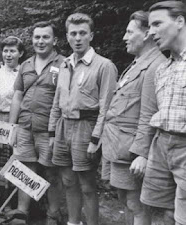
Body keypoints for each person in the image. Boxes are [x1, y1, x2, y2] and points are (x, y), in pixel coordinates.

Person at [49, 13, 118, 225]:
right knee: (68, 181)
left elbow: (107, 107)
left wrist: (95, 139)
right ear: (67, 37)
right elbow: (57, 100)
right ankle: (73, 221)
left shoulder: (104, 66)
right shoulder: (64, 64)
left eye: (82, 33)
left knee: (87, 184)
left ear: (91, 35)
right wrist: (52, 132)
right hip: (63, 126)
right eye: (73, 33)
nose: (77, 38)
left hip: (86, 127)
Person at [101, 10, 166, 225]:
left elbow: (148, 114)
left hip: (131, 150)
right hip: (118, 146)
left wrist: (142, 153)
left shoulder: (154, 65)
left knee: (136, 204)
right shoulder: (138, 62)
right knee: (125, 200)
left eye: (130, 32)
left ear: (147, 34)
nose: (124, 37)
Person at [9, 21, 65, 225]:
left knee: (51, 172)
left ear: (54, 40)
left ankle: (53, 214)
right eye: (37, 37)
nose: (40, 41)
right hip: (24, 127)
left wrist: (57, 132)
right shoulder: (25, 64)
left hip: (49, 131)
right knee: (25, 169)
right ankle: (22, 212)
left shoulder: (64, 64)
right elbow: (17, 96)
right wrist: (12, 126)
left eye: (45, 37)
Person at [140, 1, 186, 224]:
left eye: (157, 24)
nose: (151, 32)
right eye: (149, 26)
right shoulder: (162, 70)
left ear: (180, 21)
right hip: (160, 145)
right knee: (158, 211)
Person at [0, 36, 26, 212]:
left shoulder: (25, 73)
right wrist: (0, 132)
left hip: (22, 122)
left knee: (20, 163)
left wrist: (16, 126)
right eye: (6, 51)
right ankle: (2, 205)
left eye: (13, 51)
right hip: (1, 121)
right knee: (0, 164)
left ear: (20, 53)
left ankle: (21, 206)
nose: (9, 55)